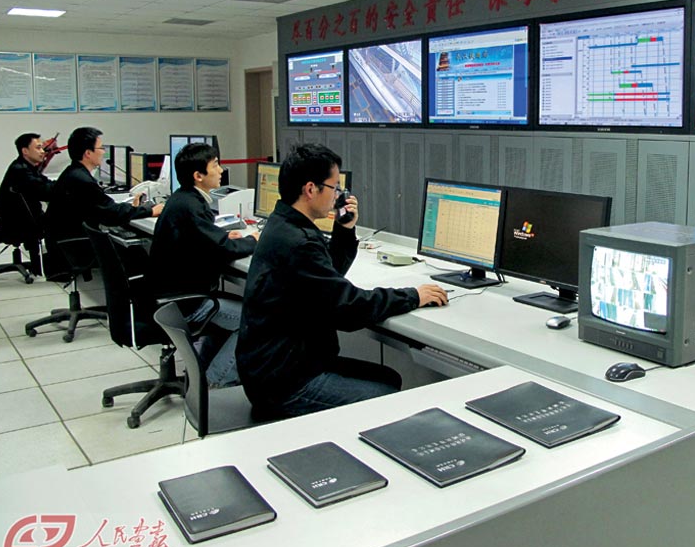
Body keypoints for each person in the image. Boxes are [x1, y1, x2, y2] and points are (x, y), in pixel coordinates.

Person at [237, 143, 448, 419]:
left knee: (389, 377)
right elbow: (348, 309)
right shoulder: (298, 242)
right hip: (285, 384)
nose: (339, 195)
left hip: (278, 367)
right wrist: (413, 296)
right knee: (387, 396)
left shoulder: (283, 225)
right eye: (335, 187)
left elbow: (326, 279)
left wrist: (344, 229)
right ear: (311, 189)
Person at [147, 143, 258, 387]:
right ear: (199, 176)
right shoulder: (192, 206)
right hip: (185, 302)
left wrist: (222, 239)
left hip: (171, 295)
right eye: (216, 165)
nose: (221, 170)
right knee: (252, 320)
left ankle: (201, 378)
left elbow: (208, 241)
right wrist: (253, 240)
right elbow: (224, 250)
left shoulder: (182, 199)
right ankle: (215, 383)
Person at [44, 127, 163, 271]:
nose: (103, 152)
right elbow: (111, 215)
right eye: (100, 148)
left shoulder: (74, 173)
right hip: (73, 246)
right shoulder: (82, 180)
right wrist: (150, 210)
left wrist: (133, 209)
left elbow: (104, 208)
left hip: (63, 241)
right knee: (136, 253)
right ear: (88, 153)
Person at [0, 133, 55, 274]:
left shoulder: (26, 166)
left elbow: (44, 183)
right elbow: (44, 192)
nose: (43, 151)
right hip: (17, 223)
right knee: (62, 221)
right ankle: (58, 269)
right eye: (39, 148)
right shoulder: (20, 170)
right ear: (25, 151)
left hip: (24, 218)